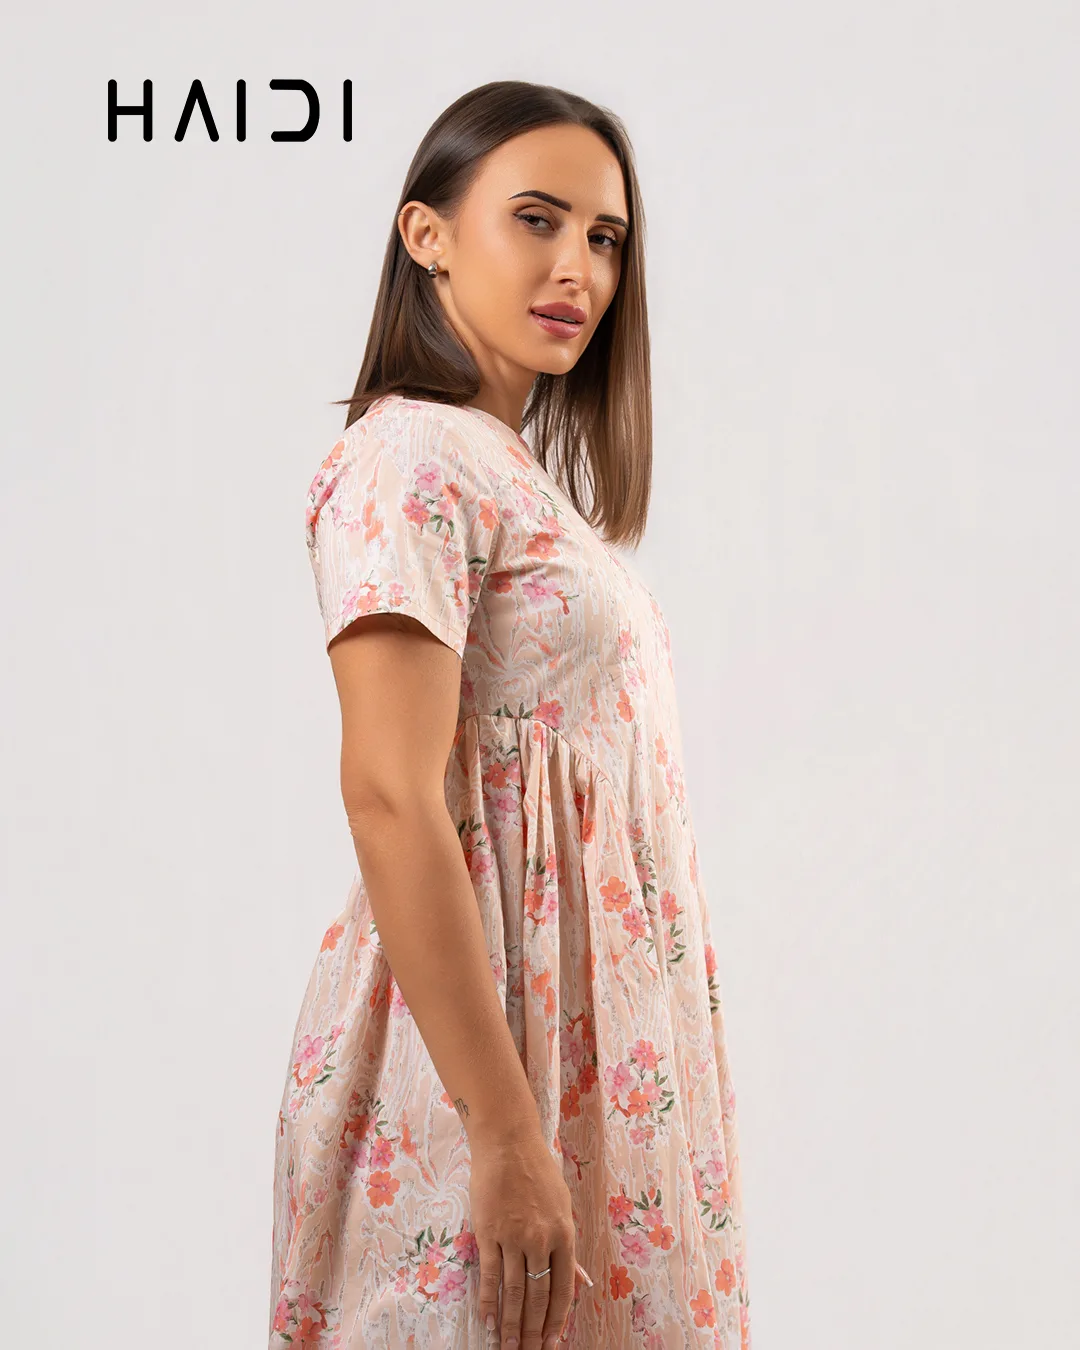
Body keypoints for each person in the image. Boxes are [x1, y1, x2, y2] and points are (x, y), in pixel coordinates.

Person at [269, 80, 752, 1350]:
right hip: (486, 1064)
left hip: (578, 1050)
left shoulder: (507, 470)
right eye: (536, 220)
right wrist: (502, 1130)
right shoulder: (409, 456)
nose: (577, 269)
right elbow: (388, 791)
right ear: (426, 235)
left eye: (605, 238)